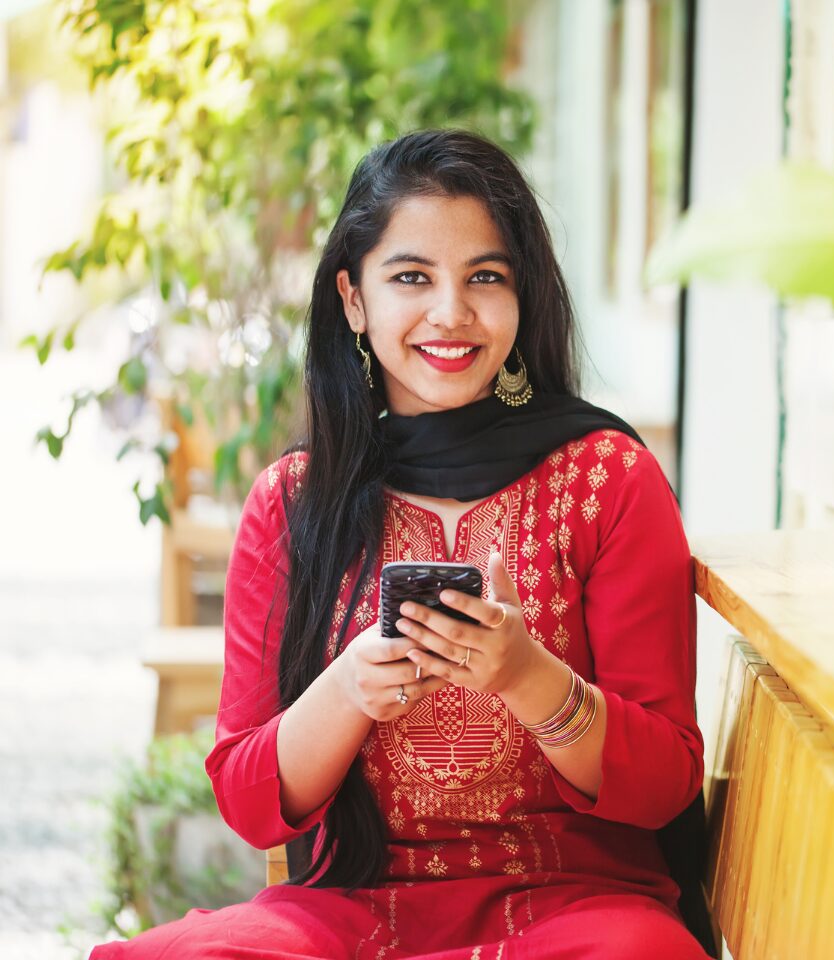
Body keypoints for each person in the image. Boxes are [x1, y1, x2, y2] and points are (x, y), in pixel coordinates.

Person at [90, 129, 714, 959]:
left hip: (570, 907)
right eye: (411, 277)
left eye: (484, 277)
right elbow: (248, 800)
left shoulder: (604, 479)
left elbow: (665, 781)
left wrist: (528, 679)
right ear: (353, 299)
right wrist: (347, 688)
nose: (451, 313)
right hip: (349, 912)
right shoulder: (294, 503)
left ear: (522, 294)